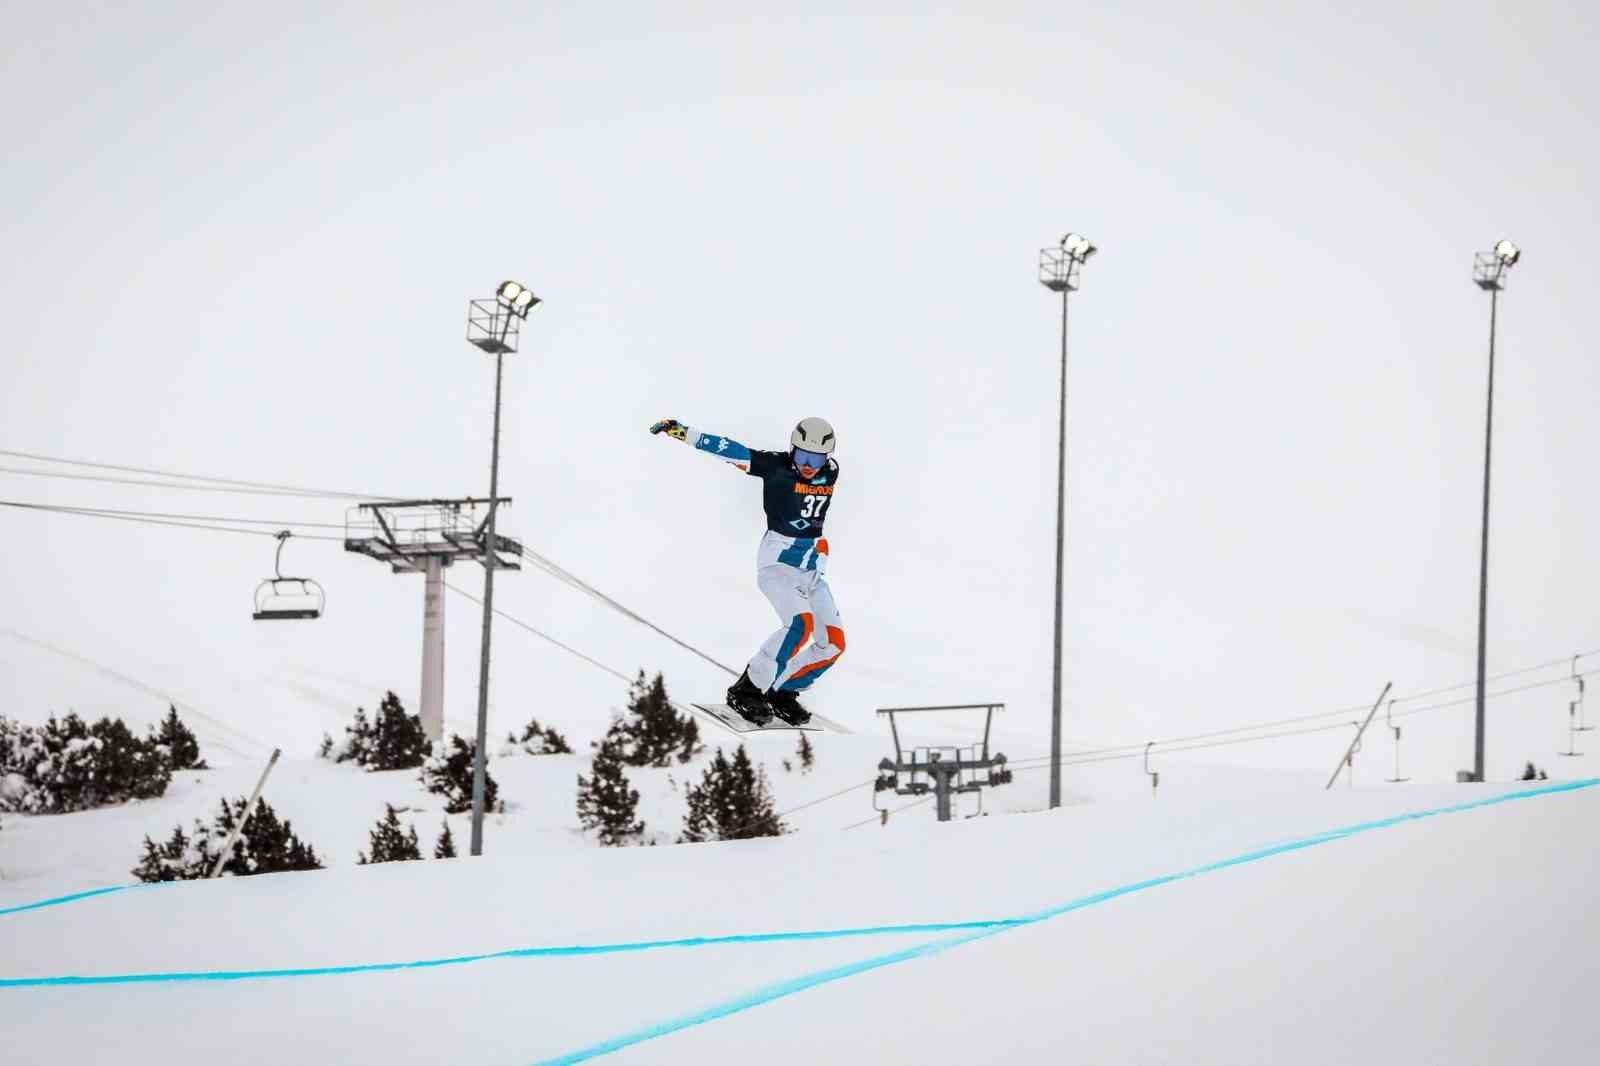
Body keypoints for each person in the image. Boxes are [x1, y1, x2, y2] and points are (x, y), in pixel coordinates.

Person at [648, 416, 845, 726]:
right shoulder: (776, 467)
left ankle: (782, 691)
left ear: (828, 458)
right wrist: (686, 434)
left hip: (812, 571)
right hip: (778, 565)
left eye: (816, 458)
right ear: (791, 450)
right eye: (802, 456)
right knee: (799, 625)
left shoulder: (830, 473)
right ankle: (748, 690)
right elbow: (732, 451)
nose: (808, 465)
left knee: (833, 644)